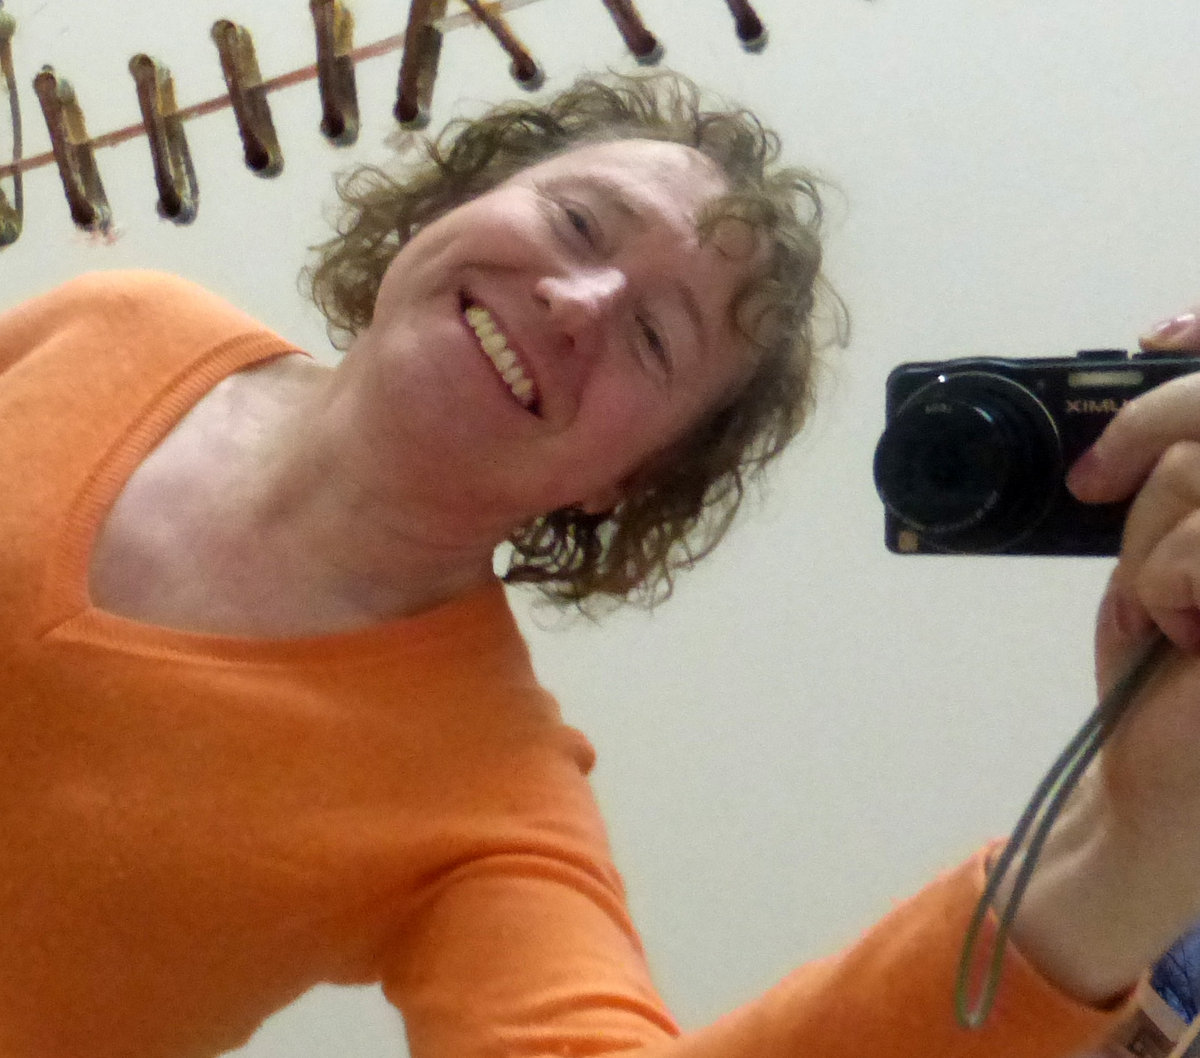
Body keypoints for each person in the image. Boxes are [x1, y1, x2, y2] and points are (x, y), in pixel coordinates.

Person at [2, 67, 1200, 1058]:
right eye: (578, 222)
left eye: (654, 337)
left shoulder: (485, 801)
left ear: (625, 481)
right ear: (449, 208)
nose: (578, 301)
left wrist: (1133, 847)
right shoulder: (114, 323)